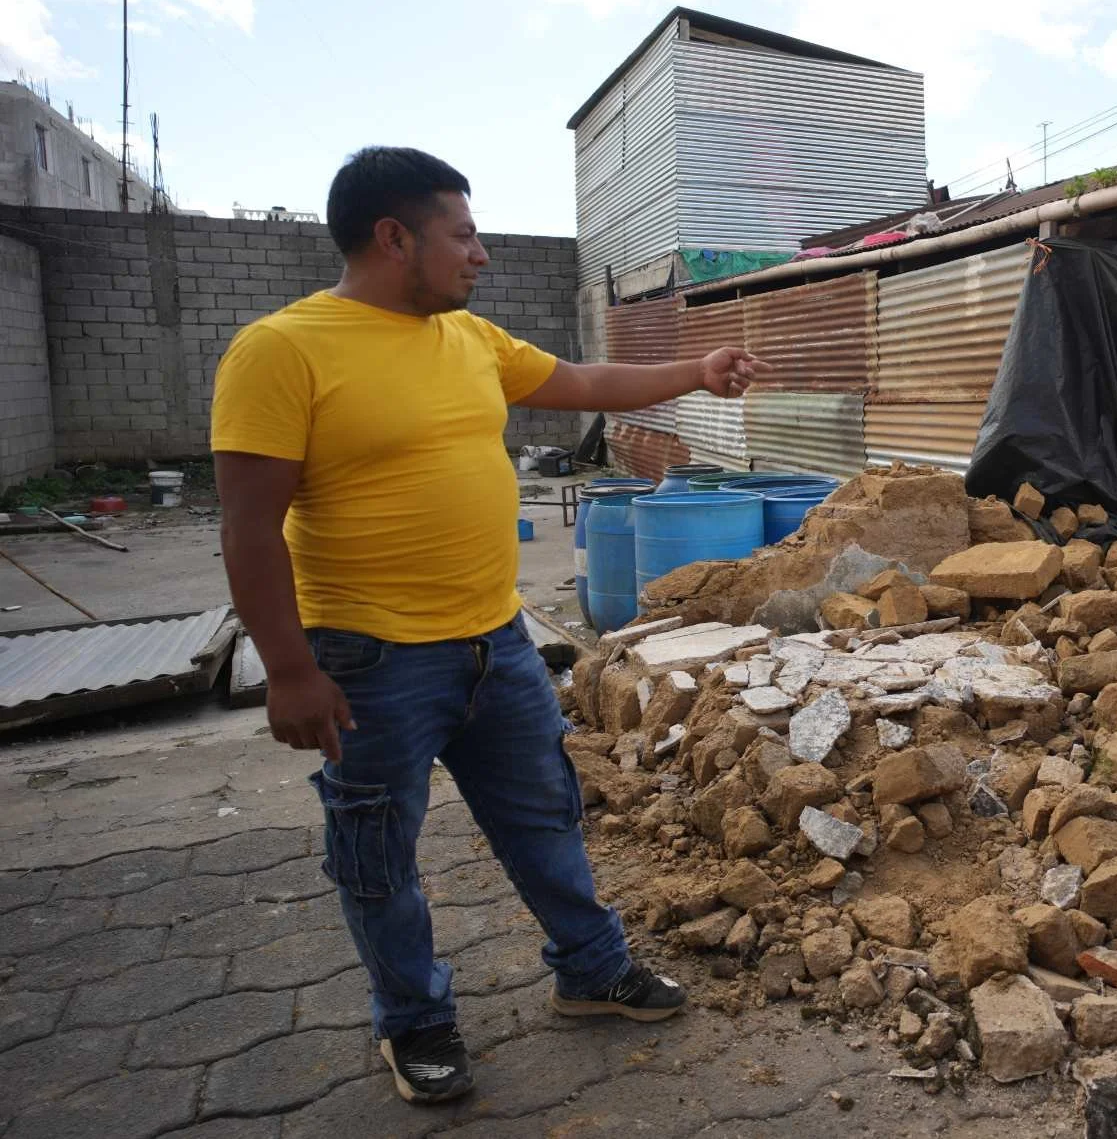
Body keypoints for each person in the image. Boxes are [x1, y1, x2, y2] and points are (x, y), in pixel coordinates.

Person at [211, 147, 771, 1105]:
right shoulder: (281, 350)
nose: (478, 255)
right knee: (379, 856)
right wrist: (289, 670)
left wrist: (698, 369)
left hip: (496, 645)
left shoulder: (469, 337)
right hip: (370, 658)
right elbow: (247, 524)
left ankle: (593, 970)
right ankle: (417, 1021)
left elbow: (586, 386)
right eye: (462, 235)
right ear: (395, 238)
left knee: (546, 818)